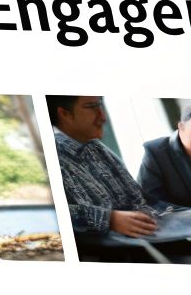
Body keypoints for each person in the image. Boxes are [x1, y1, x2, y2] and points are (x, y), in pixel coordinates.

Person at [47, 95, 158, 238]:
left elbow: (136, 196)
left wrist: (145, 215)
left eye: (100, 105)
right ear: (65, 114)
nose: (103, 117)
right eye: (91, 107)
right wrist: (110, 219)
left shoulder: (95, 146)